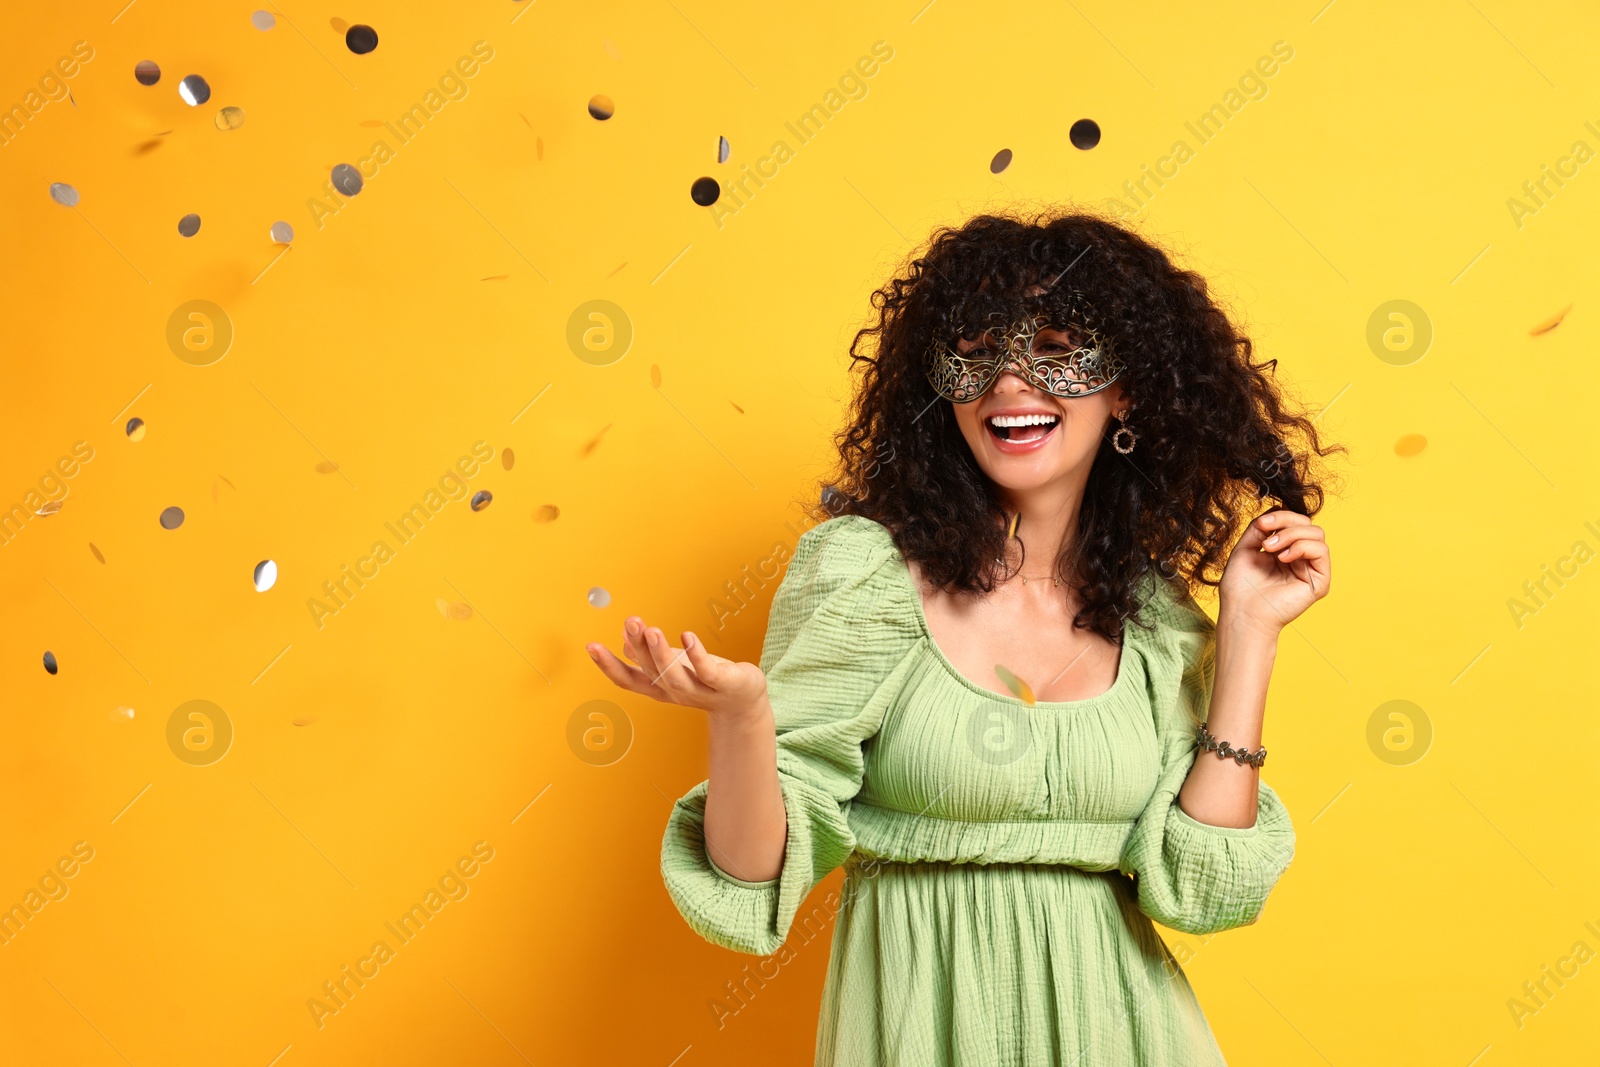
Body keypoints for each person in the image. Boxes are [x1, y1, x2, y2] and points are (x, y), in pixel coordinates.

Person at [585, 208, 1341, 1065]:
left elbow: (1207, 889)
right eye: (978, 349)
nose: (1011, 380)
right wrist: (745, 716)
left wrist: (1247, 629)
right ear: (939, 385)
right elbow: (750, 875)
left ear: (1126, 388)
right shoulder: (865, 575)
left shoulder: (1156, 616)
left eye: (1057, 347)